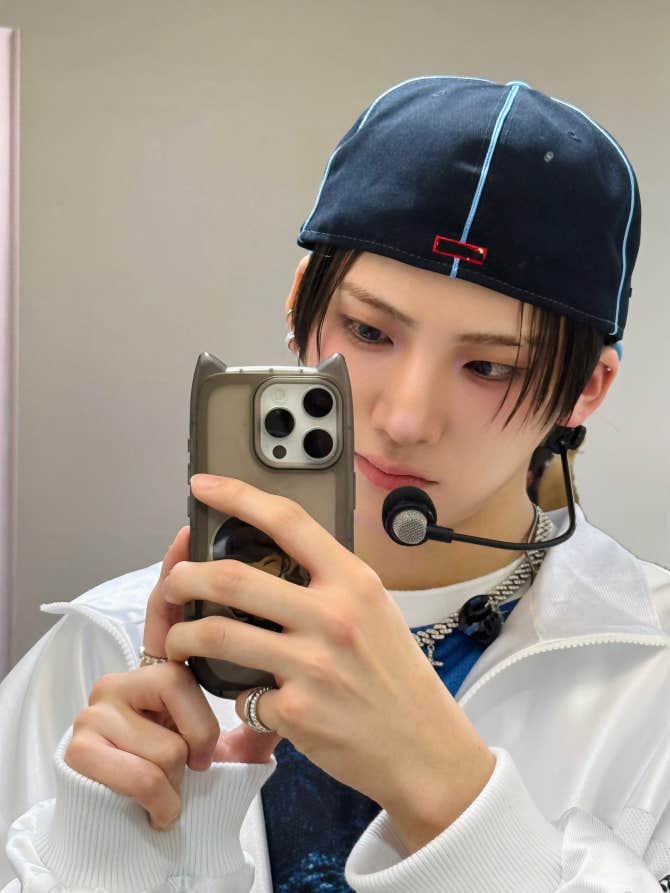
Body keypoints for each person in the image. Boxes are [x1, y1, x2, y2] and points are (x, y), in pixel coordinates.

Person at [1, 76, 669, 893]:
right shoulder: (105, 647)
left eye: (489, 366)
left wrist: (456, 801)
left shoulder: (656, 684)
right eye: (369, 329)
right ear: (299, 305)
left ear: (587, 390)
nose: (404, 416)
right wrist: (103, 864)